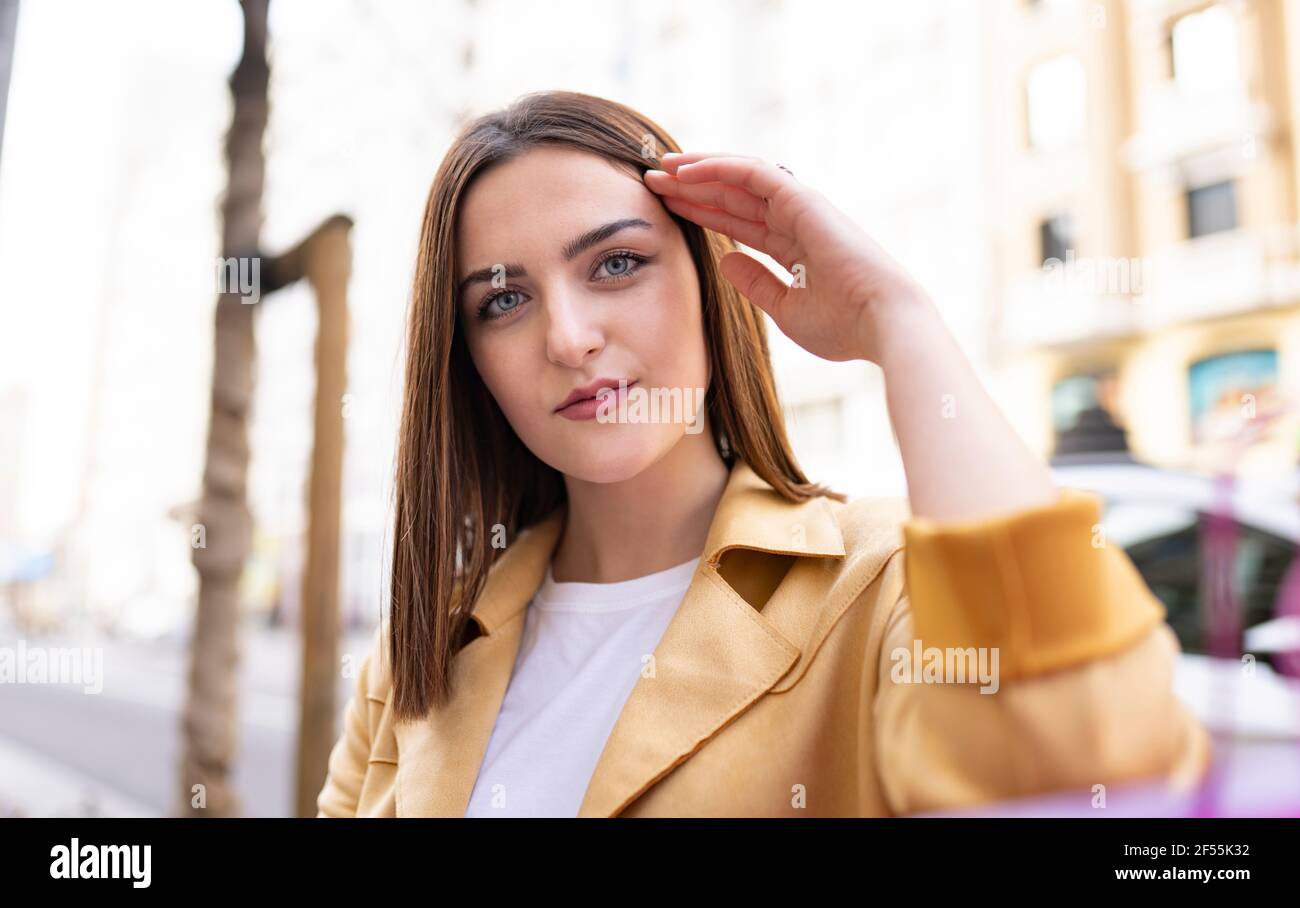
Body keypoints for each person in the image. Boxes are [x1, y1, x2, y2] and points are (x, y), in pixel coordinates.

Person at [316, 90, 1209, 818]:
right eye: (502, 302)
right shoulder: (421, 651)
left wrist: (901, 324)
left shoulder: (884, 585)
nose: (570, 337)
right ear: (469, 361)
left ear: (711, 281)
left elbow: (1086, 767)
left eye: (616, 264)